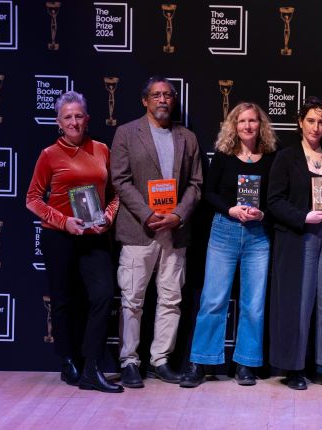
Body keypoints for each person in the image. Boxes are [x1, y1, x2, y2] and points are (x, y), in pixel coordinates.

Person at [26, 90, 123, 393]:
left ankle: (91, 366)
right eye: (67, 117)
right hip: (59, 237)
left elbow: (115, 195)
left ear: (87, 119)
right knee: (63, 300)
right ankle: (68, 360)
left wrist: (108, 216)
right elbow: (32, 199)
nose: (74, 122)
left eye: (78, 116)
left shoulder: (102, 150)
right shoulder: (49, 155)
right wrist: (63, 221)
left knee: (103, 295)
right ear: (58, 122)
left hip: (94, 237)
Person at [110, 76, 203, 388]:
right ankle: (129, 361)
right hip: (139, 230)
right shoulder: (126, 133)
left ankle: (160, 360)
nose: (162, 100)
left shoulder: (187, 138)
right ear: (145, 100)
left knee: (171, 299)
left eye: (167, 95)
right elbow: (120, 179)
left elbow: (196, 184)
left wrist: (177, 215)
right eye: (156, 95)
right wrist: (147, 214)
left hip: (175, 233)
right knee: (131, 300)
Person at [180, 102, 277, 388]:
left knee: (254, 304)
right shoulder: (223, 155)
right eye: (242, 121)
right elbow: (209, 193)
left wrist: (263, 214)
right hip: (225, 230)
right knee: (213, 299)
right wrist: (231, 209)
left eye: (253, 120)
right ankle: (200, 362)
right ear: (234, 125)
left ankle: (246, 363)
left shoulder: (272, 157)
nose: (247, 126)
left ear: (261, 125)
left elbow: (276, 197)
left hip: (258, 234)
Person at [267, 96, 322, 390]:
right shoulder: (286, 157)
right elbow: (274, 201)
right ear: (300, 123)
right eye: (311, 121)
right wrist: (303, 217)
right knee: (299, 303)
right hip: (299, 237)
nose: (316, 127)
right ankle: (293, 367)